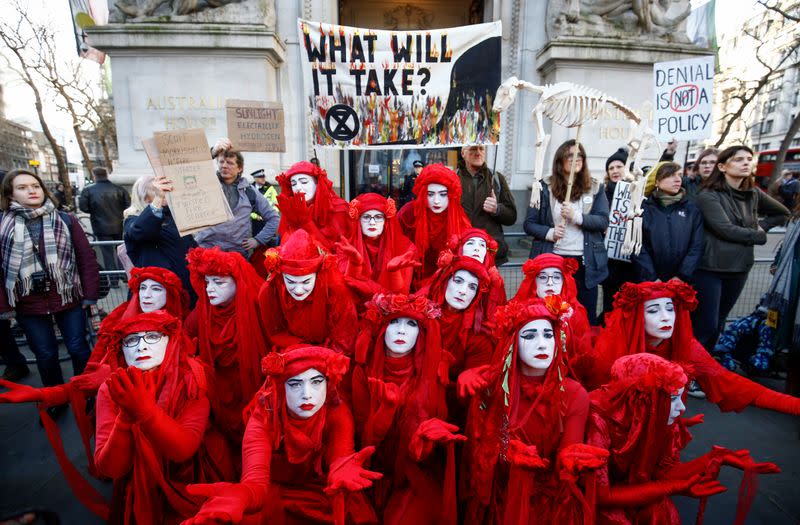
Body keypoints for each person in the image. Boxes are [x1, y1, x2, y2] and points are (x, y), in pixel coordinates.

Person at [184, 345, 380, 525]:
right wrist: (243, 495)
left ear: (328, 385)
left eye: (316, 382)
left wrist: (340, 467)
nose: (307, 394)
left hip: (324, 489)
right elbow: (255, 483)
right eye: (295, 384)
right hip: (279, 493)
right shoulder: (263, 418)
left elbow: (340, 455)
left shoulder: (336, 410)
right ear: (280, 388)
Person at [587, 353, 779, 525]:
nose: (682, 409)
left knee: (660, 510)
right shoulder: (598, 421)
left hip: (629, 494)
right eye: (672, 399)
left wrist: (714, 458)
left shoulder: (657, 417)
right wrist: (671, 488)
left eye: (680, 398)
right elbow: (601, 496)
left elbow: (665, 473)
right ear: (641, 399)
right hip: (596, 504)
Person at [461, 297, 600, 525]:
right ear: (512, 342)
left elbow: (565, 462)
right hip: (501, 500)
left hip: (550, 505)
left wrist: (572, 463)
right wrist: (507, 456)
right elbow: (480, 458)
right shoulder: (492, 389)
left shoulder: (575, 394)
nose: (542, 344)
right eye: (529, 335)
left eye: (548, 335)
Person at [590, 280, 800, 416]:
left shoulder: (685, 345)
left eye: (670, 308)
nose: (666, 317)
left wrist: (793, 405)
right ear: (636, 317)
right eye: (653, 310)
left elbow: (728, 382)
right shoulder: (614, 345)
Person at [351, 292, 462, 524]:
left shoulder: (432, 372)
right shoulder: (363, 372)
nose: (402, 331)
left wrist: (421, 440)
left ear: (421, 334)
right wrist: (387, 411)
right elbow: (363, 439)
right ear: (382, 330)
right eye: (394, 322)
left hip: (413, 475)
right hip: (369, 470)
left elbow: (426, 452)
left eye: (411, 324)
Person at [94, 311, 212, 524]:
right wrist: (125, 416)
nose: (142, 346)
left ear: (171, 342)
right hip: (137, 491)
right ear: (120, 349)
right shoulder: (110, 390)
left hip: (188, 482)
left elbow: (183, 449)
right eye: (131, 340)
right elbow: (110, 468)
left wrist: (143, 411)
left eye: (153, 336)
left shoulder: (191, 381)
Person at [0, 169, 100, 393]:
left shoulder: (66, 219)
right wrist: (4, 307)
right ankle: (54, 397)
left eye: (35, 186)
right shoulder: (2, 225)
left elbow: (86, 258)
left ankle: (87, 395)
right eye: (23, 187)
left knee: (78, 348)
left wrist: (90, 294)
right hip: (27, 303)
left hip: (68, 297)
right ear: (11, 194)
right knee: (45, 353)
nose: (32, 191)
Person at [692, 146, 789, 353]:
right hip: (710, 268)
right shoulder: (708, 195)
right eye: (738, 160)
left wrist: (763, 226)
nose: (745, 163)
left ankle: (705, 370)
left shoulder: (753, 193)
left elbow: (783, 213)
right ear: (723, 166)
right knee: (705, 325)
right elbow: (725, 230)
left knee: (719, 322)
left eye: (748, 159)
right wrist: (759, 235)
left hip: (740, 267)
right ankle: (687, 373)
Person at [524, 139, 610, 325]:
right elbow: (529, 224)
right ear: (560, 160)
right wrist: (550, 233)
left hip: (584, 263)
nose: (576, 159)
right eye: (570, 155)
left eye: (580, 156)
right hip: (554, 260)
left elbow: (603, 220)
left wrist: (577, 216)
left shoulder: (596, 188)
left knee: (584, 317)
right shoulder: (543, 187)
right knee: (550, 314)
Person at [259, 229, 359, 356]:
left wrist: (317, 359)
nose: (298, 290)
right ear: (281, 276)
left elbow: (345, 341)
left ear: (318, 275)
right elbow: (276, 332)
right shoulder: (271, 290)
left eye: (306, 282)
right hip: (292, 350)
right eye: (291, 282)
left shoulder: (336, 292)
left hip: (329, 355)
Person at [425, 253, 495, 426]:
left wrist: (461, 382)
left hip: (454, 416)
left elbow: (473, 400)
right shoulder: (418, 317)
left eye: (472, 287)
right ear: (444, 281)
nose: (463, 291)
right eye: (458, 281)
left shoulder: (480, 336)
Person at [194, 138, 279, 258]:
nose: (224, 166)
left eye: (229, 163)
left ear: (240, 168)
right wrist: (212, 152)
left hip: (236, 256)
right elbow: (190, 168)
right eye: (221, 162)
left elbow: (274, 218)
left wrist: (258, 240)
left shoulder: (250, 192)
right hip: (206, 253)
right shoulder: (205, 184)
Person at [123, 174, 197, 299]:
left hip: (183, 289)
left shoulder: (172, 217)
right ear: (146, 198)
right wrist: (158, 199)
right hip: (157, 293)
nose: (165, 194)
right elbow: (142, 231)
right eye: (159, 191)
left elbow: (190, 247)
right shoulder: (132, 221)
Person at [397, 164, 471, 285]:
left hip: (446, 283)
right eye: (430, 194)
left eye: (442, 194)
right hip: (410, 281)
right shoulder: (408, 213)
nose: (436, 201)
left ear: (450, 194)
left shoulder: (458, 217)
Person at [632, 162, 704, 283]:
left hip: (681, 282)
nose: (677, 179)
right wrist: (652, 278)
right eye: (670, 175)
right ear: (656, 181)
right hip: (649, 282)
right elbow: (637, 245)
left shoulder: (692, 210)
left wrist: (682, 276)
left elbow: (697, 246)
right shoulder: (641, 209)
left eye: (679, 175)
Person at [340, 193, 417, 303]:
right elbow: (346, 289)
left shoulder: (404, 248)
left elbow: (401, 295)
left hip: (390, 312)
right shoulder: (346, 246)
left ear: (386, 220)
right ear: (358, 220)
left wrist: (367, 285)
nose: (372, 223)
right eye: (366, 217)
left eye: (378, 217)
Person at [457, 145, 518, 265]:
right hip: (460, 250)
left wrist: (497, 209)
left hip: (489, 252)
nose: (478, 153)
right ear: (463, 153)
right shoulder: (452, 178)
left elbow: (512, 216)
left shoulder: (496, 178)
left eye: (481, 149)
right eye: (473, 149)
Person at [275, 160, 352, 250]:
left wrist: (307, 223)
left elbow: (338, 249)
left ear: (317, 183)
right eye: (293, 184)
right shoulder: (294, 209)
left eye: (304, 182)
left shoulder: (338, 209)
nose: (298, 188)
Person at [765, 197, 800, 395]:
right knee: (793, 341)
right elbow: (787, 246)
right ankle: (792, 393)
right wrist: (777, 264)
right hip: (792, 284)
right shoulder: (796, 217)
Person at [78, 166, 130, 283]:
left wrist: (95, 210)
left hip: (100, 226)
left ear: (94, 175)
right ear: (106, 175)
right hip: (119, 225)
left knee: (107, 253)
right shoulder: (119, 189)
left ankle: (113, 280)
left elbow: (83, 207)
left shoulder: (88, 190)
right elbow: (128, 205)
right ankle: (125, 275)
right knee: (121, 250)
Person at [601, 147, 632, 322]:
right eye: (611, 168)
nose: (615, 171)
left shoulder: (636, 191)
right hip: (611, 260)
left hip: (631, 260)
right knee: (610, 302)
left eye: (619, 166)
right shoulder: (603, 194)